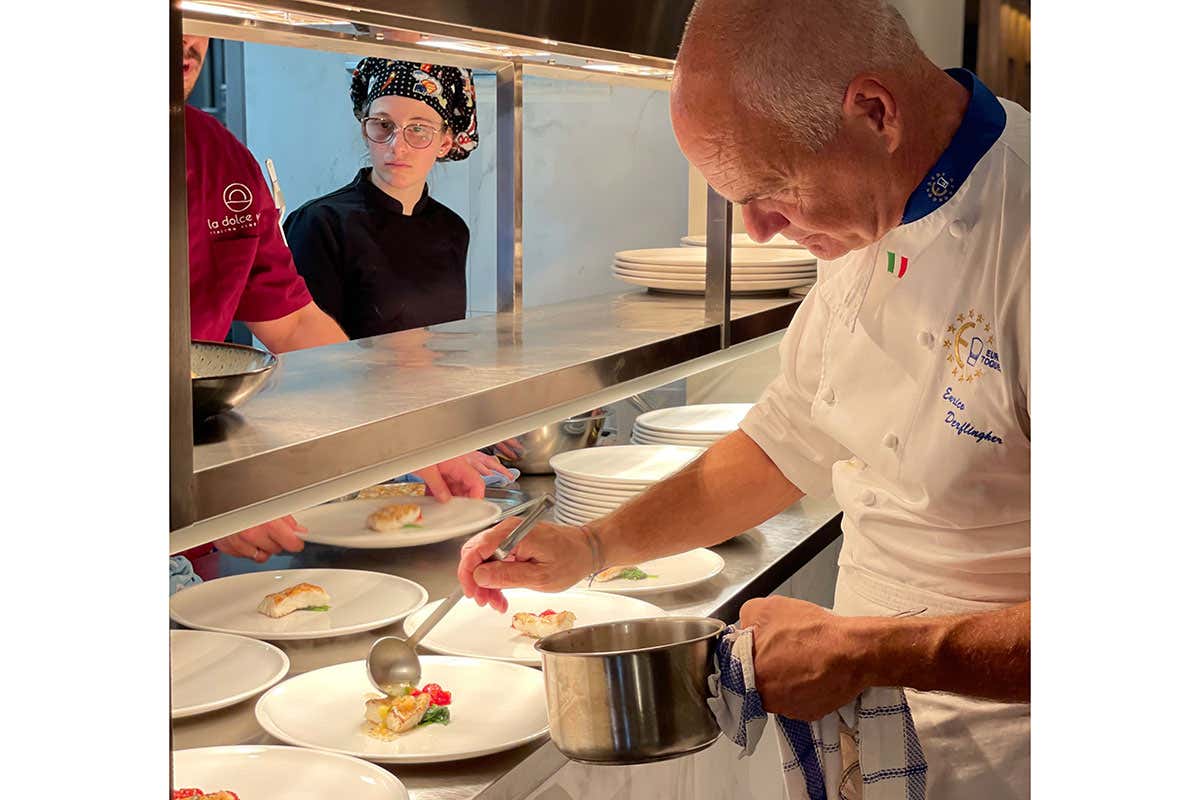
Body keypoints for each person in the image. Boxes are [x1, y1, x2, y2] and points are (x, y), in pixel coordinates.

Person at [456, 2, 1030, 798]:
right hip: (876, 727)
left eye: (773, 189)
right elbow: (785, 441)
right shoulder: (862, 211)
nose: (757, 230)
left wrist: (871, 650)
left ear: (873, 111)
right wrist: (593, 547)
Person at [179, 36, 510, 563]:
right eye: (383, 126)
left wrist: (408, 442)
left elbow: (296, 329)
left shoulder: (222, 161)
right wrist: (188, 499)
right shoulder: (323, 221)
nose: (185, 30)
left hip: (193, 544)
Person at [283, 58, 479, 340]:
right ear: (365, 131)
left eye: (419, 129)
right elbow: (308, 354)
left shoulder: (453, 229)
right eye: (383, 125)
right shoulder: (319, 224)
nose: (397, 147)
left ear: (445, 143)